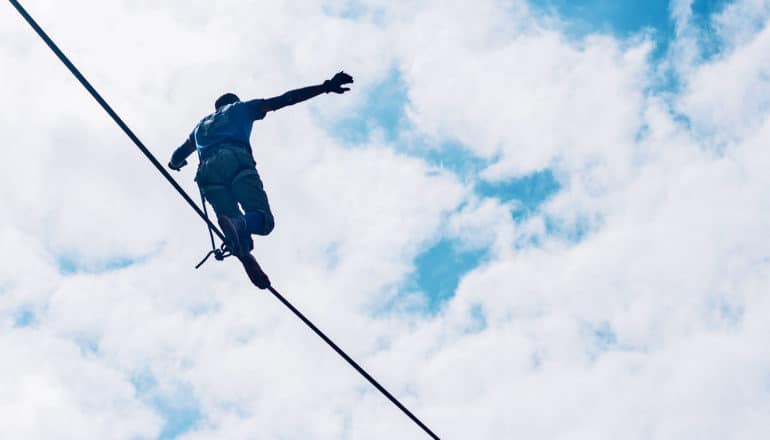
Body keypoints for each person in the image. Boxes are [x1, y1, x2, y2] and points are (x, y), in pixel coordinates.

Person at [168, 71, 354, 286]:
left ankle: (244, 251)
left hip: (207, 172)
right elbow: (286, 99)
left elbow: (176, 157)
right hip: (235, 159)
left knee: (236, 234)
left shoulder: (200, 126)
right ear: (234, 102)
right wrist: (325, 86)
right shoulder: (241, 108)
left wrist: (176, 165)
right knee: (263, 220)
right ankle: (239, 226)